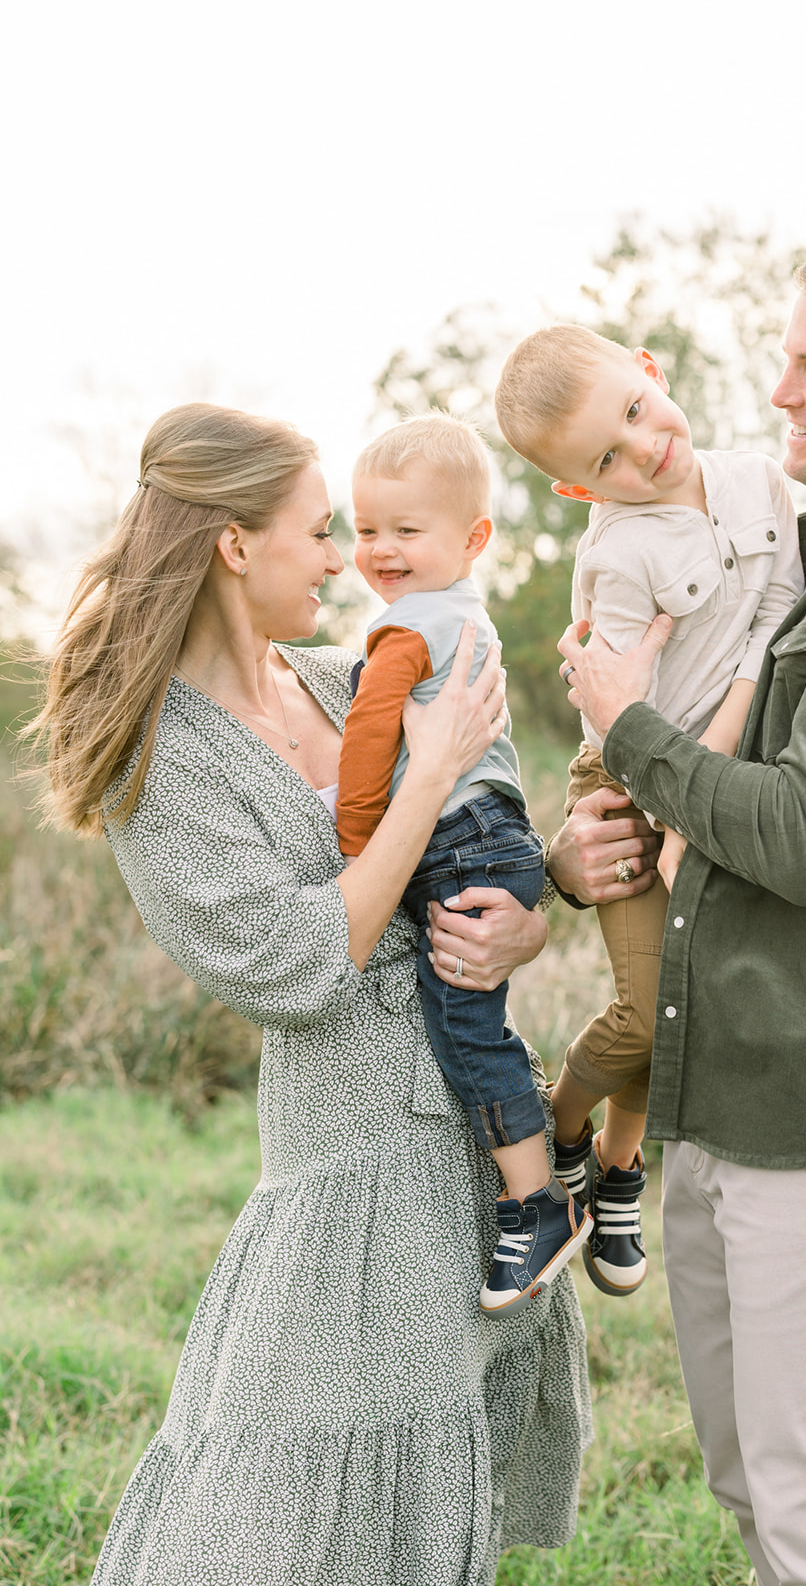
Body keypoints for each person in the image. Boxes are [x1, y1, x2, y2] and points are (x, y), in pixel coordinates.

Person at [444, 238, 806, 1586]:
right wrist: (591, 842)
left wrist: (627, 730)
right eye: (783, 361)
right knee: (758, 1495)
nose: (778, 393)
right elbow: (701, 799)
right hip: (719, 1092)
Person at [31, 403, 592, 1586]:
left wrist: (534, 915)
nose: (347, 560)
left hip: (473, 1127)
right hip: (345, 1149)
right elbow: (290, 965)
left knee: (436, 1474)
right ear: (237, 544)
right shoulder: (159, 756)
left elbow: (480, 849)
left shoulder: (354, 680)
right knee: (278, 1479)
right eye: (321, 531)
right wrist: (420, 777)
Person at [493, 326, 803, 1299]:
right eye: (605, 461)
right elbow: (621, 711)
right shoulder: (618, 560)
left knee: (682, 1003)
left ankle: (618, 1166)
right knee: (649, 1010)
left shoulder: (759, 480)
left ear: (652, 371)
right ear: (579, 490)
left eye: (635, 410)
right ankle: (570, 1133)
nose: (643, 449)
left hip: (700, 781)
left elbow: (778, 612)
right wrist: (666, 814)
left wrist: (698, 800)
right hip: (625, 787)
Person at [337, 412, 591, 1317]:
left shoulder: (405, 632)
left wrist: (358, 839)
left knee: (466, 1029)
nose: (380, 550)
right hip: (498, 836)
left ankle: (539, 1201)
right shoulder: (466, 615)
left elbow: (371, 740)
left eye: (407, 531)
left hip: (456, 844)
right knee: (477, 1020)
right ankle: (553, 1149)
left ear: (474, 537)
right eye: (366, 529)